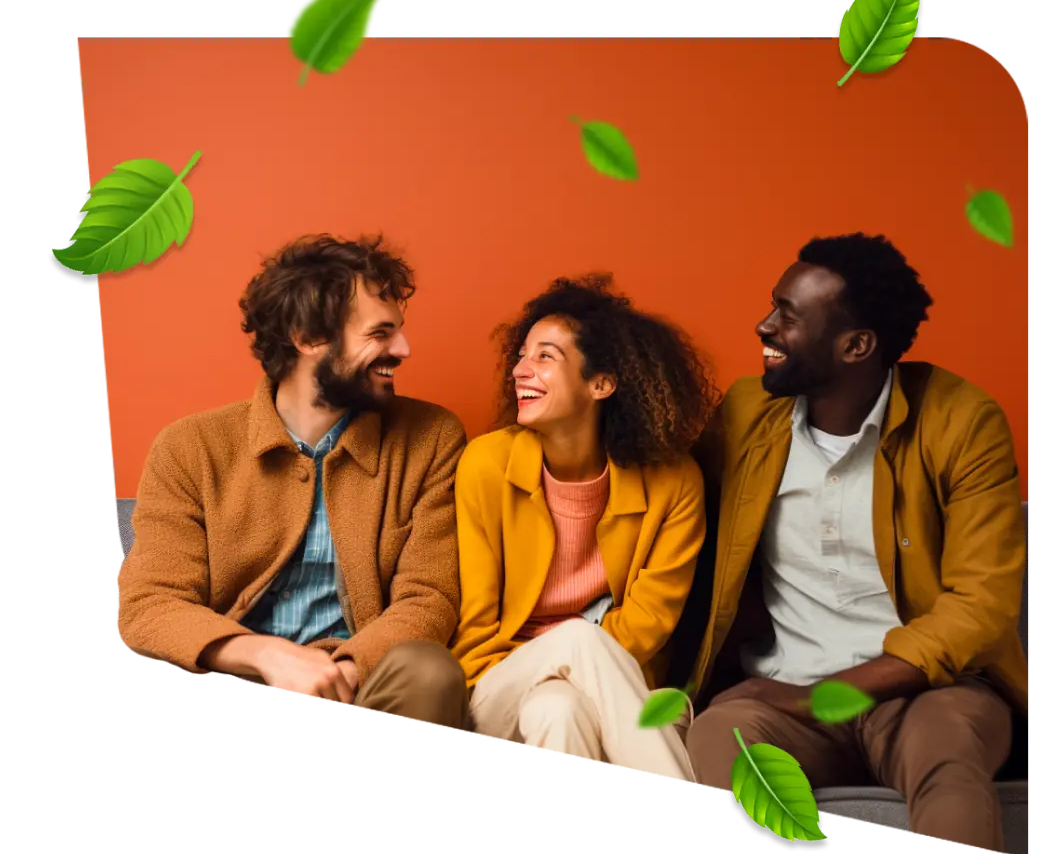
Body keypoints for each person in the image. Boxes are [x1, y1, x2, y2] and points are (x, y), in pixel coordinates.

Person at [681, 233, 1030, 852]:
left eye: (788, 315)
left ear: (856, 345)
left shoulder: (962, 422)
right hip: (785, 698)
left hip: (926, 694)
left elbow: (981, 605)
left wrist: (821, 696)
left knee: (947, 757)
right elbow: (667, 503)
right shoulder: (745, 417)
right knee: (719, 738)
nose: (764, 326)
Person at [116, 233, 470, 730]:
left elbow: (429, 597)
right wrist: (268, 657)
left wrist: (341, 669)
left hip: (363, 680)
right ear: (307, 338)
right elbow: (149, 605)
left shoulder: (432, 437)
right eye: (380, 333)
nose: (404, 349)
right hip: (237, 667)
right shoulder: (190, 447)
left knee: (430, 672)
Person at [450, 274, 719, 781]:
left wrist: (572, 671)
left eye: (545, 357)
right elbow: (476, 626)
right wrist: (563, 652)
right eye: (522, 354)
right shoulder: (485, 464)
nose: (520, 370)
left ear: (601, 383)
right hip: (495, 682)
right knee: (578, 641)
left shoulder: (674, 482)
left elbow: (647, 626)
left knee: (558, 711)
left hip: (609, 691)